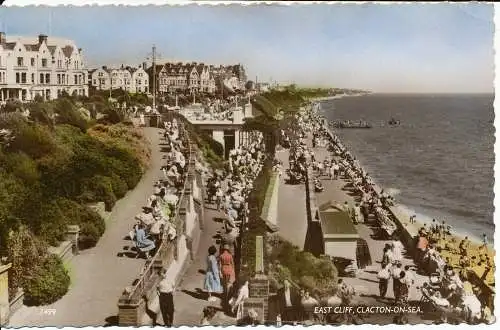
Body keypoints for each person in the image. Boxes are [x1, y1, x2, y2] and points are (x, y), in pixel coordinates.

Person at [219, 245, 236, 311]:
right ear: (228, 249)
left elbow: (220, 265)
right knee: (229, 283)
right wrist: (233, 270)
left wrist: (220, 272)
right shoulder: (230, 255)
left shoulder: (221, 256)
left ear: (223, 249)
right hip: (229, 269)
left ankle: (225, 294)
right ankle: (228, 295)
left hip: (223, 269)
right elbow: (232, 264)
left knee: (224, 283)